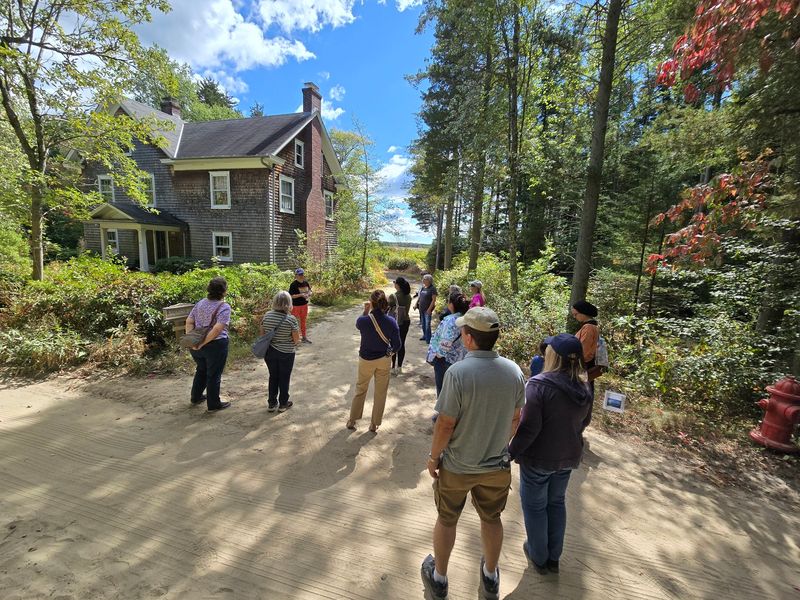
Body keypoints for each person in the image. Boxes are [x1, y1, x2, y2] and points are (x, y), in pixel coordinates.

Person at [421, 307, 525, 600]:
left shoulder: (458, 373)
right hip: (496, 466)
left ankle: (439, 578)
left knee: (447, 519)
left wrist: (433, 458)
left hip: (458, 465)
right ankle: (490, 575)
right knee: (491, 519)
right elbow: (516, 418)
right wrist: (496, 444)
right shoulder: (513, 371)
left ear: (468, 338)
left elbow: (445, 423)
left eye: (463, 331)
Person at [509, 333, 593, 576]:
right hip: (567, 456)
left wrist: (510, 452)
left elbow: (529, 428)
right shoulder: (583, 386)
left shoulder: (539, 385)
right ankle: (553, 557)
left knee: (535, 507)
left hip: (538, 458)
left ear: (552, 356)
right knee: (556, 502)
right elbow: (584, 422)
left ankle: (538, 555)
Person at [346, 290, 402, 433]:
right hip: (383, 360)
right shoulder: (391, 321)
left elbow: (359, 325)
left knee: (360, 389)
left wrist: (365, 310)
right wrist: (389, 353)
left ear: (371, 303)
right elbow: (397, 345)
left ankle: (352, 420)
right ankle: (374, 423)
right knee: (380, 392)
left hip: (366, 359)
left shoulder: (363, 320)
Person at [185, 277, 232, 412]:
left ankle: (196, 397)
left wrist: (193, 341)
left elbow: (189, 321)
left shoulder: (200, 303)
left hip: (196, 345)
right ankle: (213, 404)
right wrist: (203, 343)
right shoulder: (224, 307)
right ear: (223, 291)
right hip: (216, 345)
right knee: (214, 374)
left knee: (201, 369)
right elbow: (217, 329)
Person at [261, 291, 300, 412]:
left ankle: (271, 403)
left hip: (269, 352)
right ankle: (283, 403)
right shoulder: (291, 319)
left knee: (273, 376)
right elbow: (296, 339)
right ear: (289, 303)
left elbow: (262, 335)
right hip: (286, 353)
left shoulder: (267, 315)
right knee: (284, 377)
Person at [427, 292, 470, 396]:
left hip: (445, 360)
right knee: (455, 391)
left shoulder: (450, 320)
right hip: (461, 358)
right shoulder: (467, 319)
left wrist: (438, 355)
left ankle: (442, 411)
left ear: (451, 304)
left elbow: (446, 340)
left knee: (443, 391)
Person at [572, 300, 599, 394]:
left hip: (583, 366)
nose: (574, 317)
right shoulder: (591, 327)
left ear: (583, 313)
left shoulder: (588, 328)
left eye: (576, 314)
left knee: (581, 392)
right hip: (584, 366)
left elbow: (584, 351)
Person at [388, 277, 413, 376]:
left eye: (395, 283)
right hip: (405, 321)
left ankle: (393, 367)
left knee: (394, 344)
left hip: (395, 322)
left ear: (397, 285)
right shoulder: (408, 296)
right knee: (402, 343)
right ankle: (400, 367)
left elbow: (388, 307)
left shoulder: (393, 296)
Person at [289, 268, 312, 343]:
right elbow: (291, 296)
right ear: (296, 275)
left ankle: (304, 337)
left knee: (303, 321)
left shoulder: (305, 282)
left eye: (302, 274)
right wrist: (301, 295)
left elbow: (310, 291)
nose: (301, 276)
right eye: (299, 274)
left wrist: (309, 294)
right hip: (295, 306)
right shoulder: (293, 284)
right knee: (294, 322)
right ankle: (295, 338)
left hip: (304, 305)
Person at [415, 274, 438, 343]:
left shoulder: (432, 288)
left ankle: (428, 338)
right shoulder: (423, 287)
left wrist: (429, 309)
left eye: (425, 279)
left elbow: (434, 300)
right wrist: (416, 304)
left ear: (429, 280)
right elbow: (419, 297)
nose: (423, 280)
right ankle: (425, 336)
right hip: (421, 308)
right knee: (423, 323)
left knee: (427, 324)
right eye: (423, 279)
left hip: (427, 310)